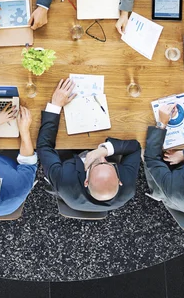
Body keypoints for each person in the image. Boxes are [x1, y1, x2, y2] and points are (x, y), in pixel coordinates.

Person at [36, 78, 142, 212]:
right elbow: (135, 148)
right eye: (109, 164)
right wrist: (104, 150)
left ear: (86, 182)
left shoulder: (65, 181)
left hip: (71, 165)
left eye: (97, 164)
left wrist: (55, 106)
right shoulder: (127, 186)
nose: (101, 159)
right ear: (119, 181)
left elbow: (44, 147)